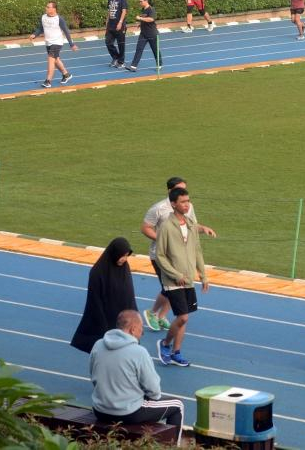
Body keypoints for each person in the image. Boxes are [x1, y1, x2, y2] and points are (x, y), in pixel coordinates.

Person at [90, 310, 184, 446]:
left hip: (100, 410)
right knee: (178, 405)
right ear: (133, 329)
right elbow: (154, 391)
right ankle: (174, 448)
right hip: (129, 412)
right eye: (141, 329)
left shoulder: (98, 344)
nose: (142, 333)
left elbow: (93, 377)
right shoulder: (139, 352)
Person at [141, 177, 216, 333]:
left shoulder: (188, 207)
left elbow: (192, 226)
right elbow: (146, 228)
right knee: (170, 287)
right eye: (180, 190)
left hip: (181, 256)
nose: (184, 194)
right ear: (170, 192)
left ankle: (161, 316)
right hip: (161, 255)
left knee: (177, 287)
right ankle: (153, 312)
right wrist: (166, 240)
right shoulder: (158, 209)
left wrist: (204, 229)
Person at [154, 187, 210, 367]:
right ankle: (164, 343)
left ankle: (176, 352)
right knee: (183, 317)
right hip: (173, 281)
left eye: (188, 201)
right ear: (173, 204)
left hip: (188, 279)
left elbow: (197, 250)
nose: (187, 205)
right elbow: (160, 255)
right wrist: (175, 274)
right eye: (183, 202)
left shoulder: (192, 224)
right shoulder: (166, 226)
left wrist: (203, 275)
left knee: (184, 317)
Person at [71, 238, 137, 353]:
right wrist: (103, 327)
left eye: (127, 256)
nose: (124, 259)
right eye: (122, 255)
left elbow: (130, 294)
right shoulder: (97, 273)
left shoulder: (124, 268)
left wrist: (135, 317)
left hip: (122, 321)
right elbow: (94, 302)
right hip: (105, 321)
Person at [28, 1, 77, 88]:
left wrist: (71, 44)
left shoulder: (59, 19)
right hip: (48, 42)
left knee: (51, 60)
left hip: (57, 42)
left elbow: (66, 32)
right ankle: (66, 75)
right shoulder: (43, 17)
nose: (46, 8)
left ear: (53, 9)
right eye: (46, 7)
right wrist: (34, 34)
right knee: (56, 60)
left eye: (48, 7)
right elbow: (41, 28)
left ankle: (48, 81)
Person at [125, 0, 162, 72]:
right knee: (139, 49)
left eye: (141, 1)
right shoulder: (143, 10)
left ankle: (159, 64)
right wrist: (140, 24)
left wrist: (140, 18)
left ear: (146, 1)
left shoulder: (151, 9)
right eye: (139, 1)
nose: (140, 3)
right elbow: (145, 19)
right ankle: (133, 66)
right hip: (143, 34)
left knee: (155, 50)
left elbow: (151, 19)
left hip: (152, 34)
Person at [105, 0, 128, 68]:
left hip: (119, 25)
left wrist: (120, 22)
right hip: (110, 25)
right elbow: (109, 11)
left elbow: (124, 11)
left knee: (121, 44)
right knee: (108, 42)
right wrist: (106, 22)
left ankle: (121, 62)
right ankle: (115, 57)